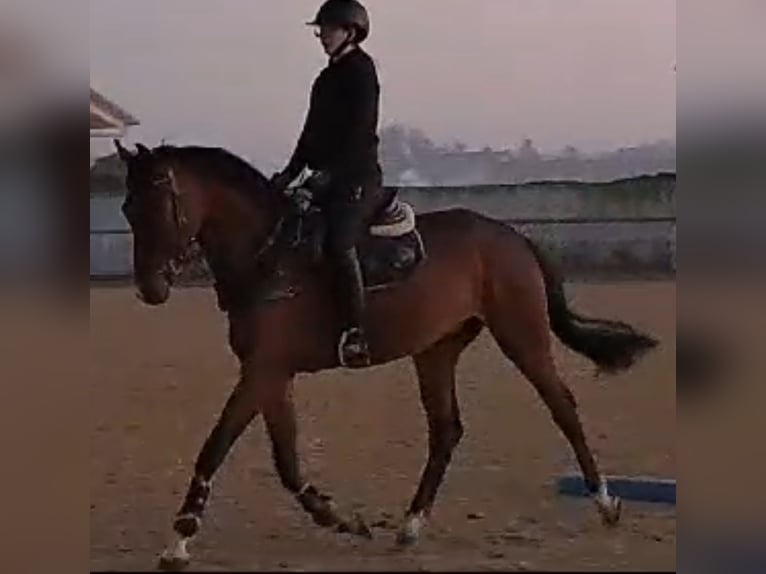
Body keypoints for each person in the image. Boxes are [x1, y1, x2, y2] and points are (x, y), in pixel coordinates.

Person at [270, 0, 390, 368]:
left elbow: (358, 133)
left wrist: (326, 178)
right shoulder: (325, 79)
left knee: (339, 242)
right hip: (327, 178)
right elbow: (309, 136)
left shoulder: (362, 72)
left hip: (357, 178)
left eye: (329, 28)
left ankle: (357, 331)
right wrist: (288, 175)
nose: (321, 35)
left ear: (350, 32)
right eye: (321, 29)